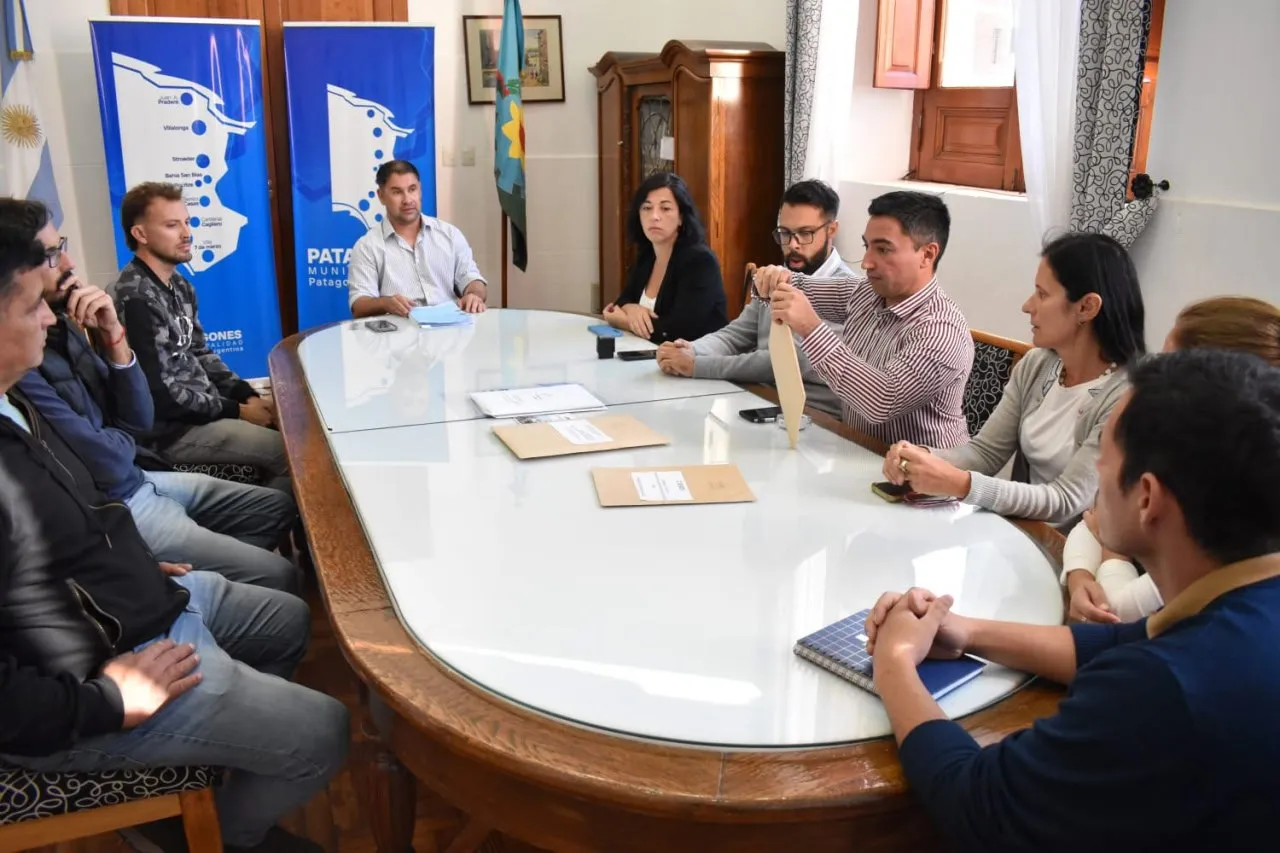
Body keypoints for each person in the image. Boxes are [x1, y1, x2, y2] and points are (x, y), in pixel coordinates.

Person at [0, 224, 348, 853]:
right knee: (325, 729)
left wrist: (127, 571)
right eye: (30, 308)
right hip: (92, 686)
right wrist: (106, 701)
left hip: (127, 608)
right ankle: (201, 835)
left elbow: (78, 516)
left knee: (287, 617)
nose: (48, 322)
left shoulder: (10, 405)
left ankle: (208, 780)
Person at [864, 348, 1280, 851]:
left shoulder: (1164, 688)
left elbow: (979, 804)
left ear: (1146, 498)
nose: (1095, 473)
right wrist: (966, 631)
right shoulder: (1236, 597)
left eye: (1103, 455)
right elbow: (1118, 642)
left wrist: (894, 662)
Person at [0, 198, 301, 593]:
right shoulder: (27, 355)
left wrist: (114, 340)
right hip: (145, 465)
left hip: (140, 469)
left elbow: (176, 376)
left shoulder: (77, 319)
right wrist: (238, 411)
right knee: (285, 469)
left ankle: (215, 576)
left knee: (281, 504)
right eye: (54, 253)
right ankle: (214, 583)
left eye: (188, 222)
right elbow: (146, 419)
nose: (71, 263)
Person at [881, 232, 1146, 524]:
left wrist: (960, 483)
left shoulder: (1127, 397)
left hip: (1076, 554)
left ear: (1086, 307)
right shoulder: (1037, 365)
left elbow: (1065, 500)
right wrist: (921, 458)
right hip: (1020, 530)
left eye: (1043, 295)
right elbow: (984, 454)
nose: (1027, 306)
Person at [1064, 295, 1280, 622]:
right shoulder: (1169, 447)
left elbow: (1120, 615)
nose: (1150, 383)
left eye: (1167, 367)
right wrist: (1079, 574)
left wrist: (1111, 553)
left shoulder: (1226, 504)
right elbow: (1091, 521)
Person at [108, 182, 291, 494]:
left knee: (288, 430)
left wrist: (244, 393)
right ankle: (264, 528)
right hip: (172, 432)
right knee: (290, 454)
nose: (186, 233)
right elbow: (161, 395)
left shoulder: (179, 285)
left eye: (187, 222)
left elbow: (200, 353)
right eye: (171, 225)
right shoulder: (135, 297)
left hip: (204, 413)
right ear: (140, 234)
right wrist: (237, 411)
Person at [754, 191, 973, 447]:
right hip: (857, 452)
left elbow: (881, 401)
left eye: (883, 249)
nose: (867, 262)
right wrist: (773, 279)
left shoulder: (942, 332)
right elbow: (801, 286)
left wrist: (811, 328)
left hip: (921, 479)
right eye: (866, 246)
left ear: (927, 254)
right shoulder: (866, 292)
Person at [656, 179, 851, 415]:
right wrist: (689, 349)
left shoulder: (845, 290)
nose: (793, 245)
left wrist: (697, 365)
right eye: (785, 234)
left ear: (831, 230)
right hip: (759, 399)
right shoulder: (778, 276)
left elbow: (785, 361)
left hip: (814, 417)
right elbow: (736, 335)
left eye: (805, 234)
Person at [347, 159, 487, 318]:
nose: (407, 200)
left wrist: (474, 295)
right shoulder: (367, 246)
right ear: (381, 196)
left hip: (450, 332)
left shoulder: (449, 234)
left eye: (412, 189)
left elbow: (472, 278)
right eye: (397, 192)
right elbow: (359, 305)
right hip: (398, 335)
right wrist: (386, 303)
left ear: (420, 190)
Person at [602, 171, 728, 343]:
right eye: (647, 208)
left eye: (665, 208)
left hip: (697, 363)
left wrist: (624, 321)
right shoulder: (647, 254)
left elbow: (678, 332)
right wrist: (632, 308)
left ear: (681, 218)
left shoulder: (700, 262)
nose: (654, 216)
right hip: (651, 357)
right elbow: (622, 300)